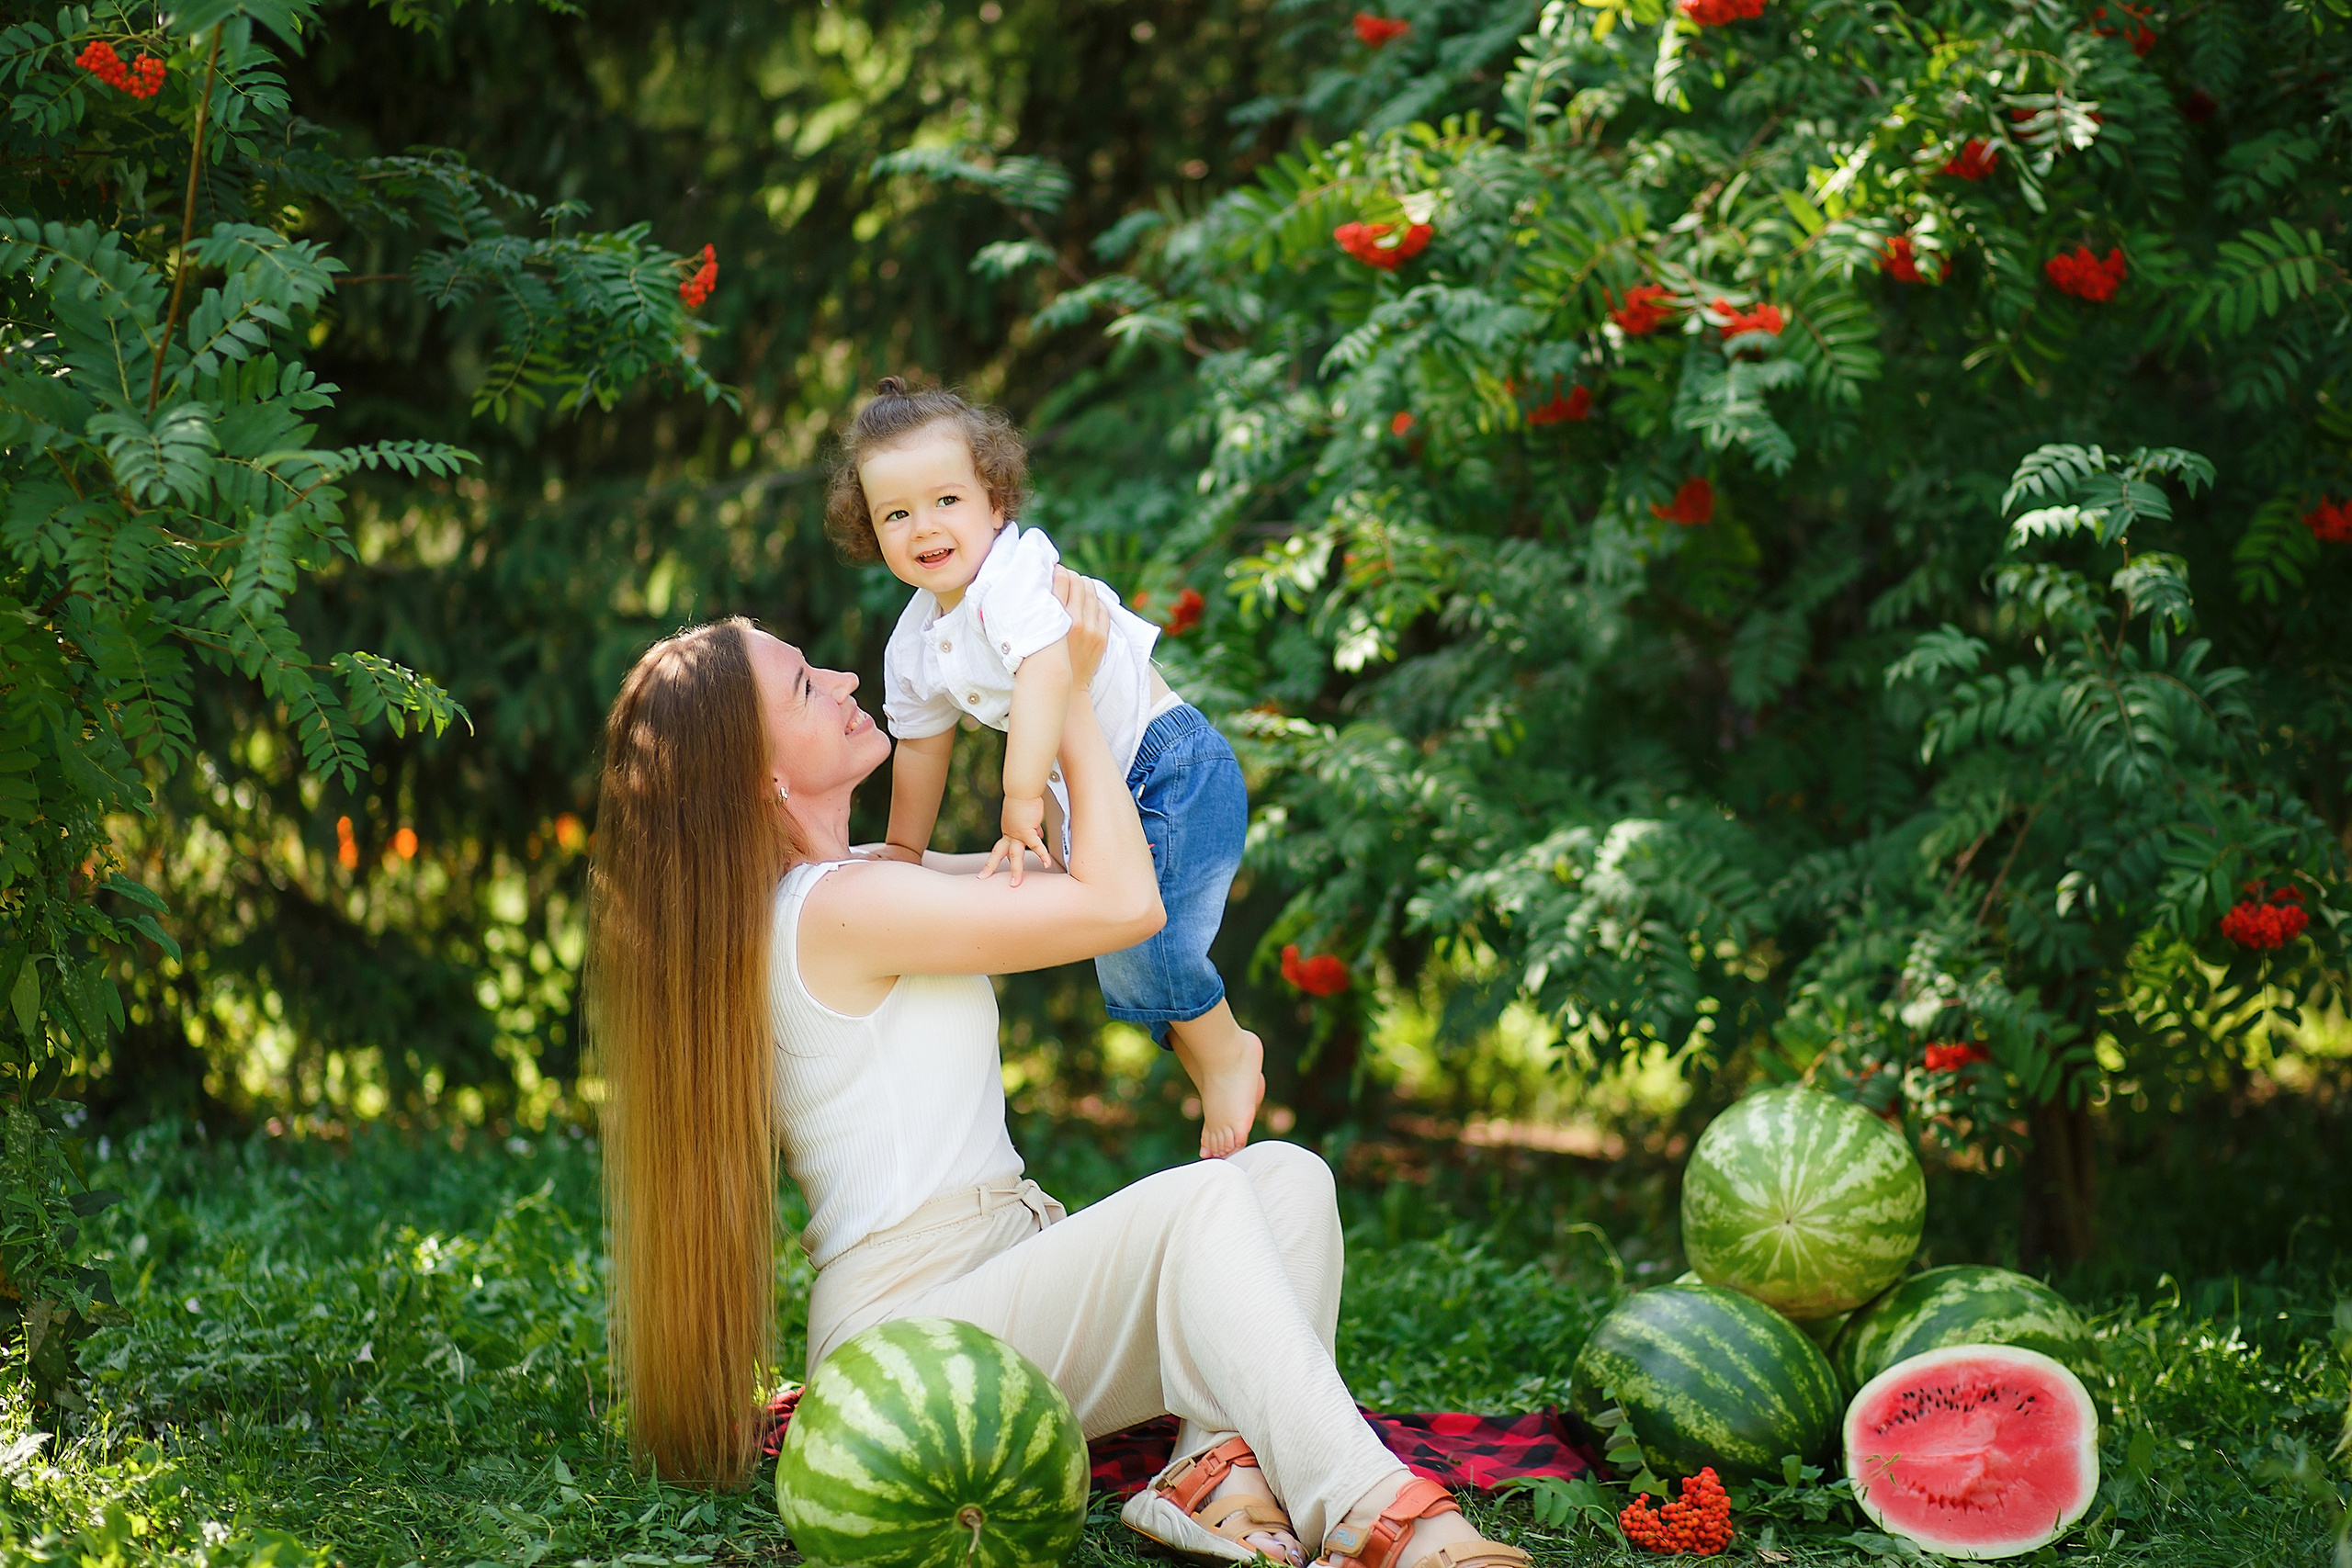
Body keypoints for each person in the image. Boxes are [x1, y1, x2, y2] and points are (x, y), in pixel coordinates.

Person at [584, 594, 1529, 1568]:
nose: (847, 680)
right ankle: (1382, 1514)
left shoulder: (863, 880)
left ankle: (1214, 1478)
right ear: (762, 775)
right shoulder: (836, 909)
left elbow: (1097, 867)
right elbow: (1120, 907)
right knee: (1203, 1200)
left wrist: (1053, 668)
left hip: (999, 1281)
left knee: (1286, 1178)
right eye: (804, 684)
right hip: (913, 1349)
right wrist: (1064, 690)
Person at [827, 376, 1261, 1160]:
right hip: (1100, 795)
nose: (924, 526)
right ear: (873, 532)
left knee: (1141, 948)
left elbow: (1049, 672)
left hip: (1168, 765)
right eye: (897, 514)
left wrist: (1020, 791)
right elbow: (923, 747)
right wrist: (899, 851)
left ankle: (1229, 1052)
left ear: (996, 504)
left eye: (946, 501)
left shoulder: (1014, 577)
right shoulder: (914, 641)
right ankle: (1215, 1063)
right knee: (1124, 966)